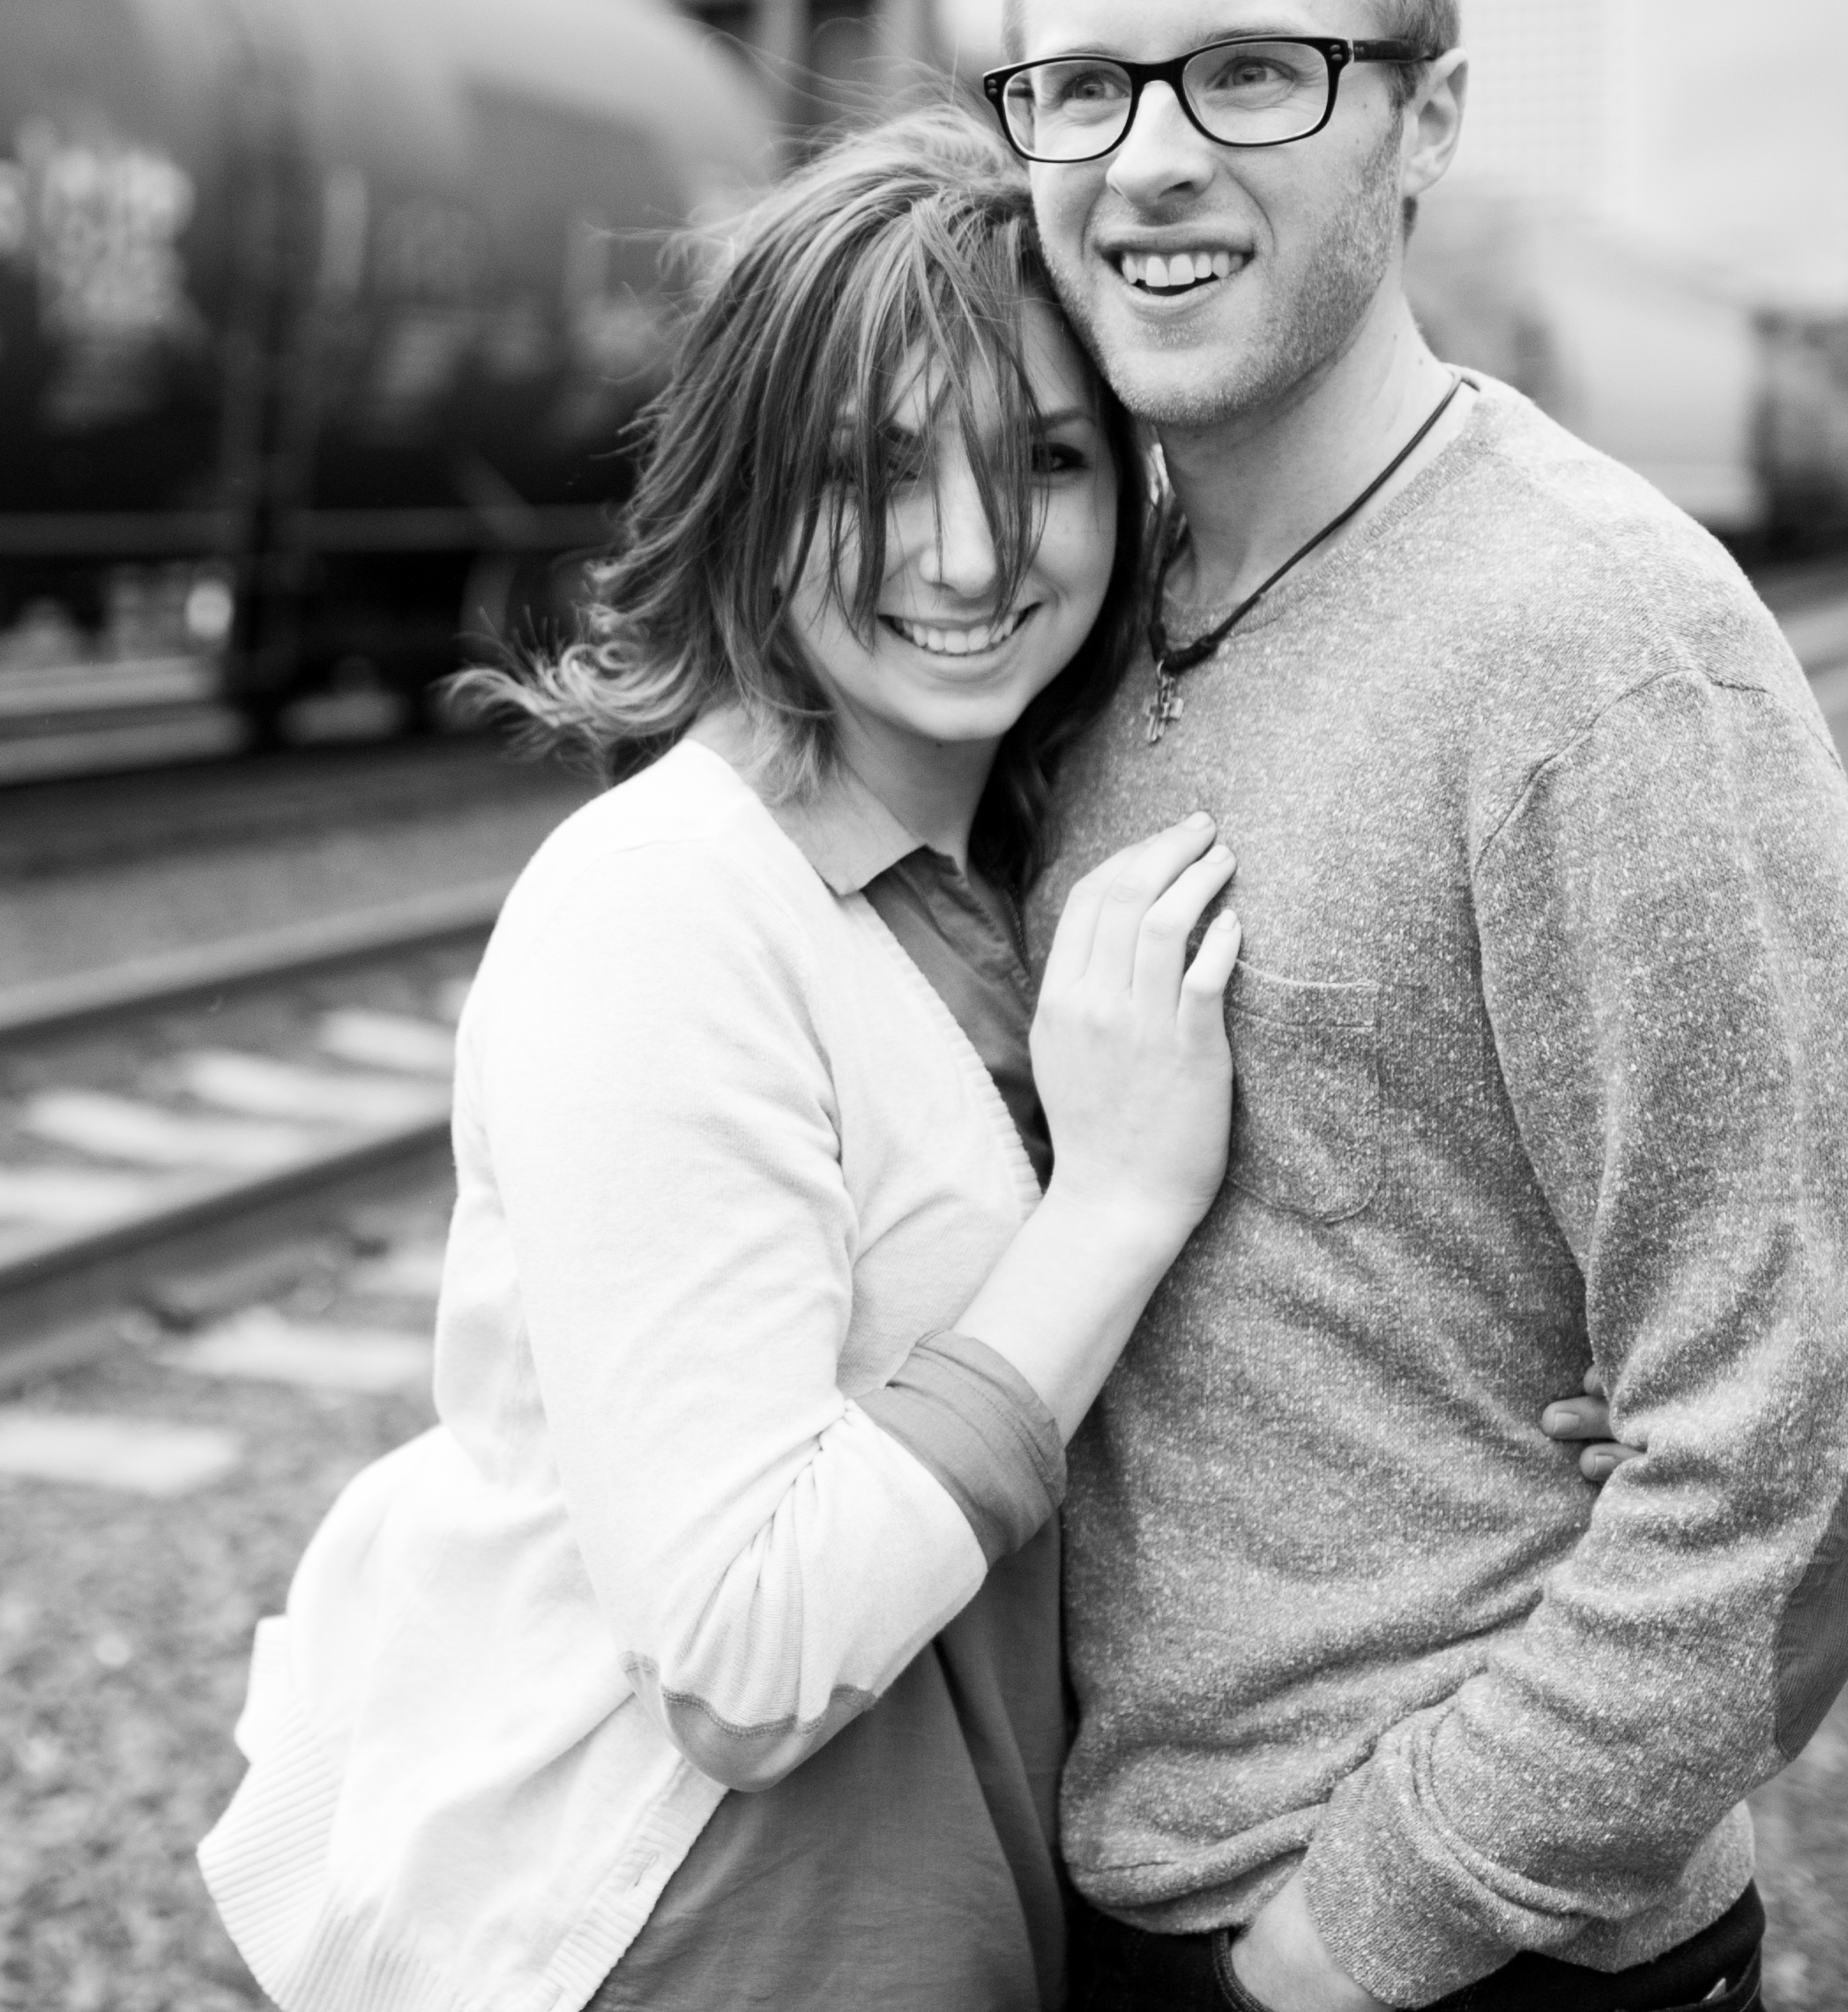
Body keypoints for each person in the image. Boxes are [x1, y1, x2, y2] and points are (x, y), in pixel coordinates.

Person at [198, 116, 1617, 2012]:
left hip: (969, 1908)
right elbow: (743, 1653)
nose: (964, 555)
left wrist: (1525, 1408)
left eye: (1037, 459)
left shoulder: (1026, 859)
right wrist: (1107, 1202)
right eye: (872, 468)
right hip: (695, 1931)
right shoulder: (660, 916)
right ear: (746, 494)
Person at [989, 0, 1848, 2012]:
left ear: (1428, 116)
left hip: (1440, 1961)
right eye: (1083, 87)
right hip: (1115, 1904)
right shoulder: (1074, 633)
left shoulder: (1595, 657)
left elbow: (1815, 1442)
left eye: (1251, 75)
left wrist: (1361, 1935)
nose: (1146, 161)